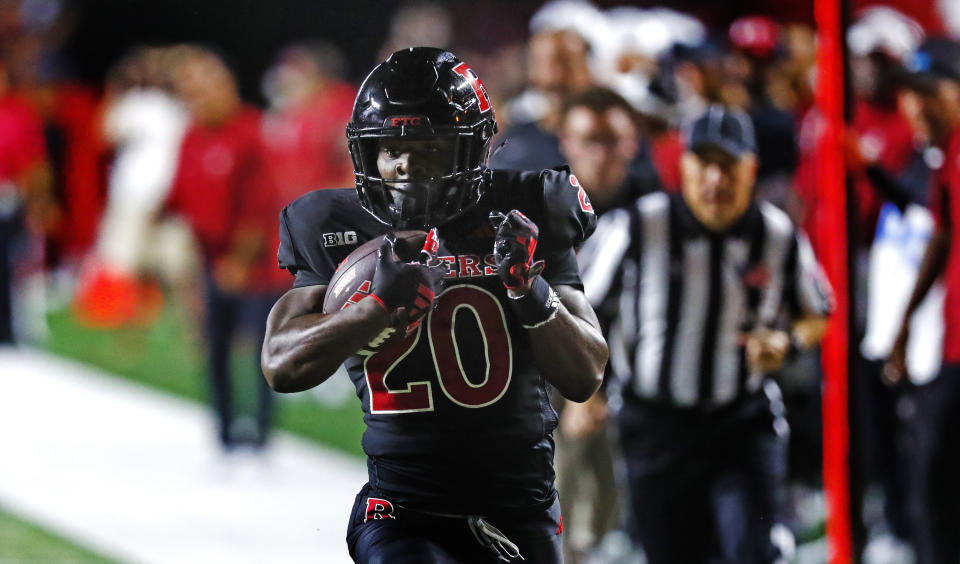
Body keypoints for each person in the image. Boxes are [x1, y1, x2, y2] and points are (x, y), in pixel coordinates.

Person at [261, 47, 608, 563]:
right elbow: (280, 363)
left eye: (427, 147)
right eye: (390, 148)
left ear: (469, 150)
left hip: (520, 507)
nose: (404, 165)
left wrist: (528, 290)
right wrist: (375, 308)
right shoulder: (334, 225)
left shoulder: (531, 207)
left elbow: (585, 374)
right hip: (401, 508)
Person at [578, 106, 832, 564]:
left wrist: (787, 343)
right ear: (684, 166)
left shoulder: (777, 235)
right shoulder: (639, 226)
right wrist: (585, 393)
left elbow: (818, 311)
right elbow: (583, 308)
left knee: (754, 551)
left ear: (751, 168)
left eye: (729, 165)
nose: (715, 179)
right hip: (655, 425)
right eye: (704, 163)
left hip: (740, 422)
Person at [553, 86, 656, 562]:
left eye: (612, 140)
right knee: (560, 505)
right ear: (566, 141)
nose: (601, 153)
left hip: (636, 382)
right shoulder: (540, 204)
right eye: (589, 139)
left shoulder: (652, 208)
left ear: (632, 142)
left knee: (622, 517)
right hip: (554, 379)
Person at [165, 46, 286, 452]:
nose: (196, 100)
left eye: (202, 90)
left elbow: (260, 205)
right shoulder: (192, 135)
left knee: (259, 349)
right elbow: (180, 194)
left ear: (226, 87)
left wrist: (239, 260)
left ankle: (262, 434)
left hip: (254, 266)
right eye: (189, 93)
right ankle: (224, 430)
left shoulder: (249, 131)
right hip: (211, 261)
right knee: (213, 345)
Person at [885, 37, 960, 564]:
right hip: (954, 347)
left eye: (928, 92)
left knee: (935, 480)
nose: (915, 105)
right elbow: (943, 233)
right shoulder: (948, 154)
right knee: (933, 479)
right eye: (910, 93)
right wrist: (906, 323)